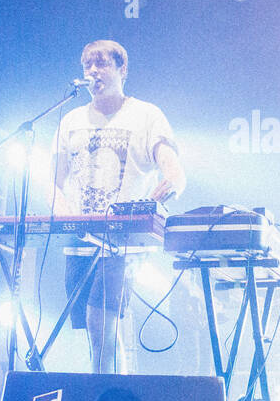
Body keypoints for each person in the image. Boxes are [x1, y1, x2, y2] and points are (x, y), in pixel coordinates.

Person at [52, 39, 185, 373]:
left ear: (122, 69)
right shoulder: (70, 120)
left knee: (101, 324)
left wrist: (173, 177)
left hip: (123, 241)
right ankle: (118, 399)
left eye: (102, 63)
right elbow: (54, 180)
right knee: (99, 334)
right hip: (80, 241)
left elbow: (169, 160)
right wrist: (62, 211)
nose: (93, 71)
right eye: (87, 65)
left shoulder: (146, 115)